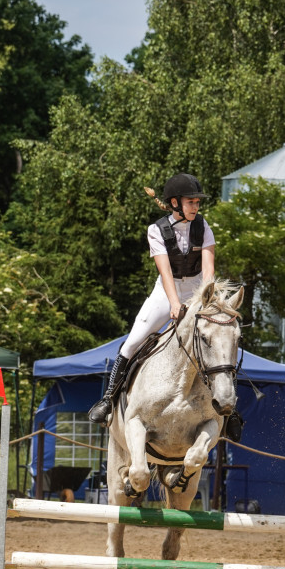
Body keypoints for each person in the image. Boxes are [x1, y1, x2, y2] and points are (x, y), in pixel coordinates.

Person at [88, 173, 216, 424]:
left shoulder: (203, 226)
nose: (196, 207)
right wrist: (175, 303)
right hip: (166, 291)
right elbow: (165, 272)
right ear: (175, 203)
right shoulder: (156, 230)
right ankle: (108, 399)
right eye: (192, 202)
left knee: (220, 339)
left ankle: (229, 407)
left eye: (197, 203)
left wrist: (204, 299)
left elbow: (209, 269)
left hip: (197, 289)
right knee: (132, 342)